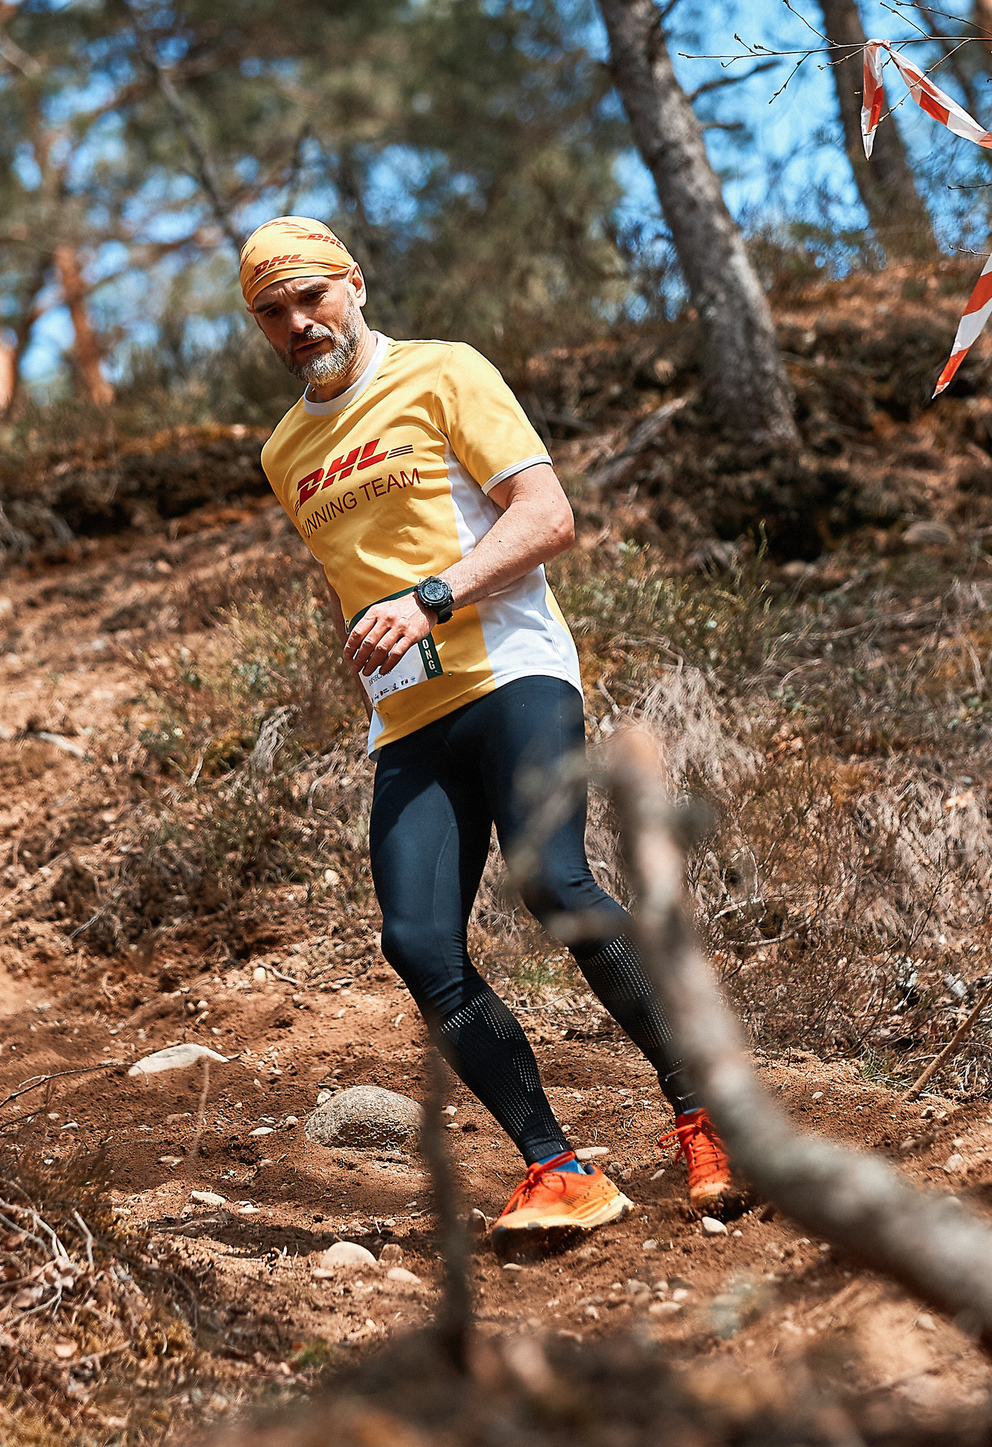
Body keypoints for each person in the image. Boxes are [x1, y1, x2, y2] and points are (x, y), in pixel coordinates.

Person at [243, 215, 746, 1255]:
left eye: (312, 296)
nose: (299, 323)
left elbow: (546, 517)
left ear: (356, 283)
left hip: (513, 674)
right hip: (411, 720)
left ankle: (710, 1118)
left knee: (553, 883)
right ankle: (556, 1169)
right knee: (417, 942)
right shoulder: (285, 451)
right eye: (273, 312)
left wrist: (432, 597)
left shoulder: (442, 373)